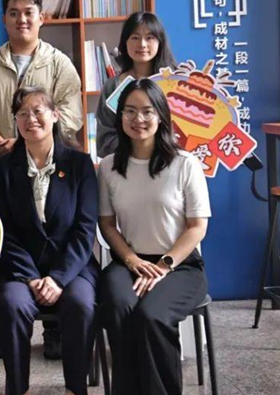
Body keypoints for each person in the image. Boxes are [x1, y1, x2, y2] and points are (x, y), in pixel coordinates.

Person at [0, 0, 82, 358]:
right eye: (14, 13)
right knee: (5, 242)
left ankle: (55, 330)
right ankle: (9, 327)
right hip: (0, 169)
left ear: (41, 17)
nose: (22, 19)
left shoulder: (59, 64)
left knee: (50, 238)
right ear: (4, 19)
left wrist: (36, 140)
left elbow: (72, 113)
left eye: (29, 12)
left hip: (49, 166)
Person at [97, 79, 210, 395]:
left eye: (147, 111)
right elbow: (107, 224)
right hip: (129, 262)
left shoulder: (185, 164)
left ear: (161, 115)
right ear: (120, 116)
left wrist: (164, 265)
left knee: (152, 317)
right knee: (118, 307)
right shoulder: (108, 167)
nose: (139, 119)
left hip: (180, 265)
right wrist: (131, 259)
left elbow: (197, 227)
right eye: (130, 111)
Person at [0, 86, 98, 395]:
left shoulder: (79, 164)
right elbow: (1, 229)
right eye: (22, 113)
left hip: (71, 266)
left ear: (55, 115)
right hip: (20, 268)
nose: (31, 119)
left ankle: (75, 388)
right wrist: (32, 277)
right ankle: (18, 389)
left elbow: (85, 229)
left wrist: (58, 278)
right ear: (15, 121)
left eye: (38, 111)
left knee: (80, 304)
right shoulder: (3, 168)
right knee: (12, 305)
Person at [96, 11, 176, 159]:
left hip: (169, 162)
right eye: (135, 37)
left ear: (160, 42)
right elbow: (104, 141)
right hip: (126, 165)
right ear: (125, 43)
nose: (142, 44)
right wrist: (139, 148)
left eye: (150, 37)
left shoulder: (175, 83)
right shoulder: (113, 86)